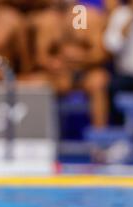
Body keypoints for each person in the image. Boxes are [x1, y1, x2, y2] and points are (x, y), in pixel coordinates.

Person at [27, 0, 110, 129]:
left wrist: (81, 59)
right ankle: (38, 136)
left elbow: (100, 53)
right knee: (33, 83)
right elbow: (40, 57)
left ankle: (99, 140)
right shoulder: (45, 20)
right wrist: (54, 64)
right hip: (58, 76)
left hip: (85, 73)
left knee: (99, 80)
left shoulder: (90, 17)